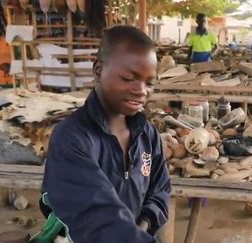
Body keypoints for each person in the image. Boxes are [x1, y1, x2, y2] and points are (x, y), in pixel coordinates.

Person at [36, 25, 171, 243]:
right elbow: (97, 217)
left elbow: (160, 190)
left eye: (150, 83)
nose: (142, 90)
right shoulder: (71, 138)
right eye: (129, 78)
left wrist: (141, 226)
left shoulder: (148, 135)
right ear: (98, 69)